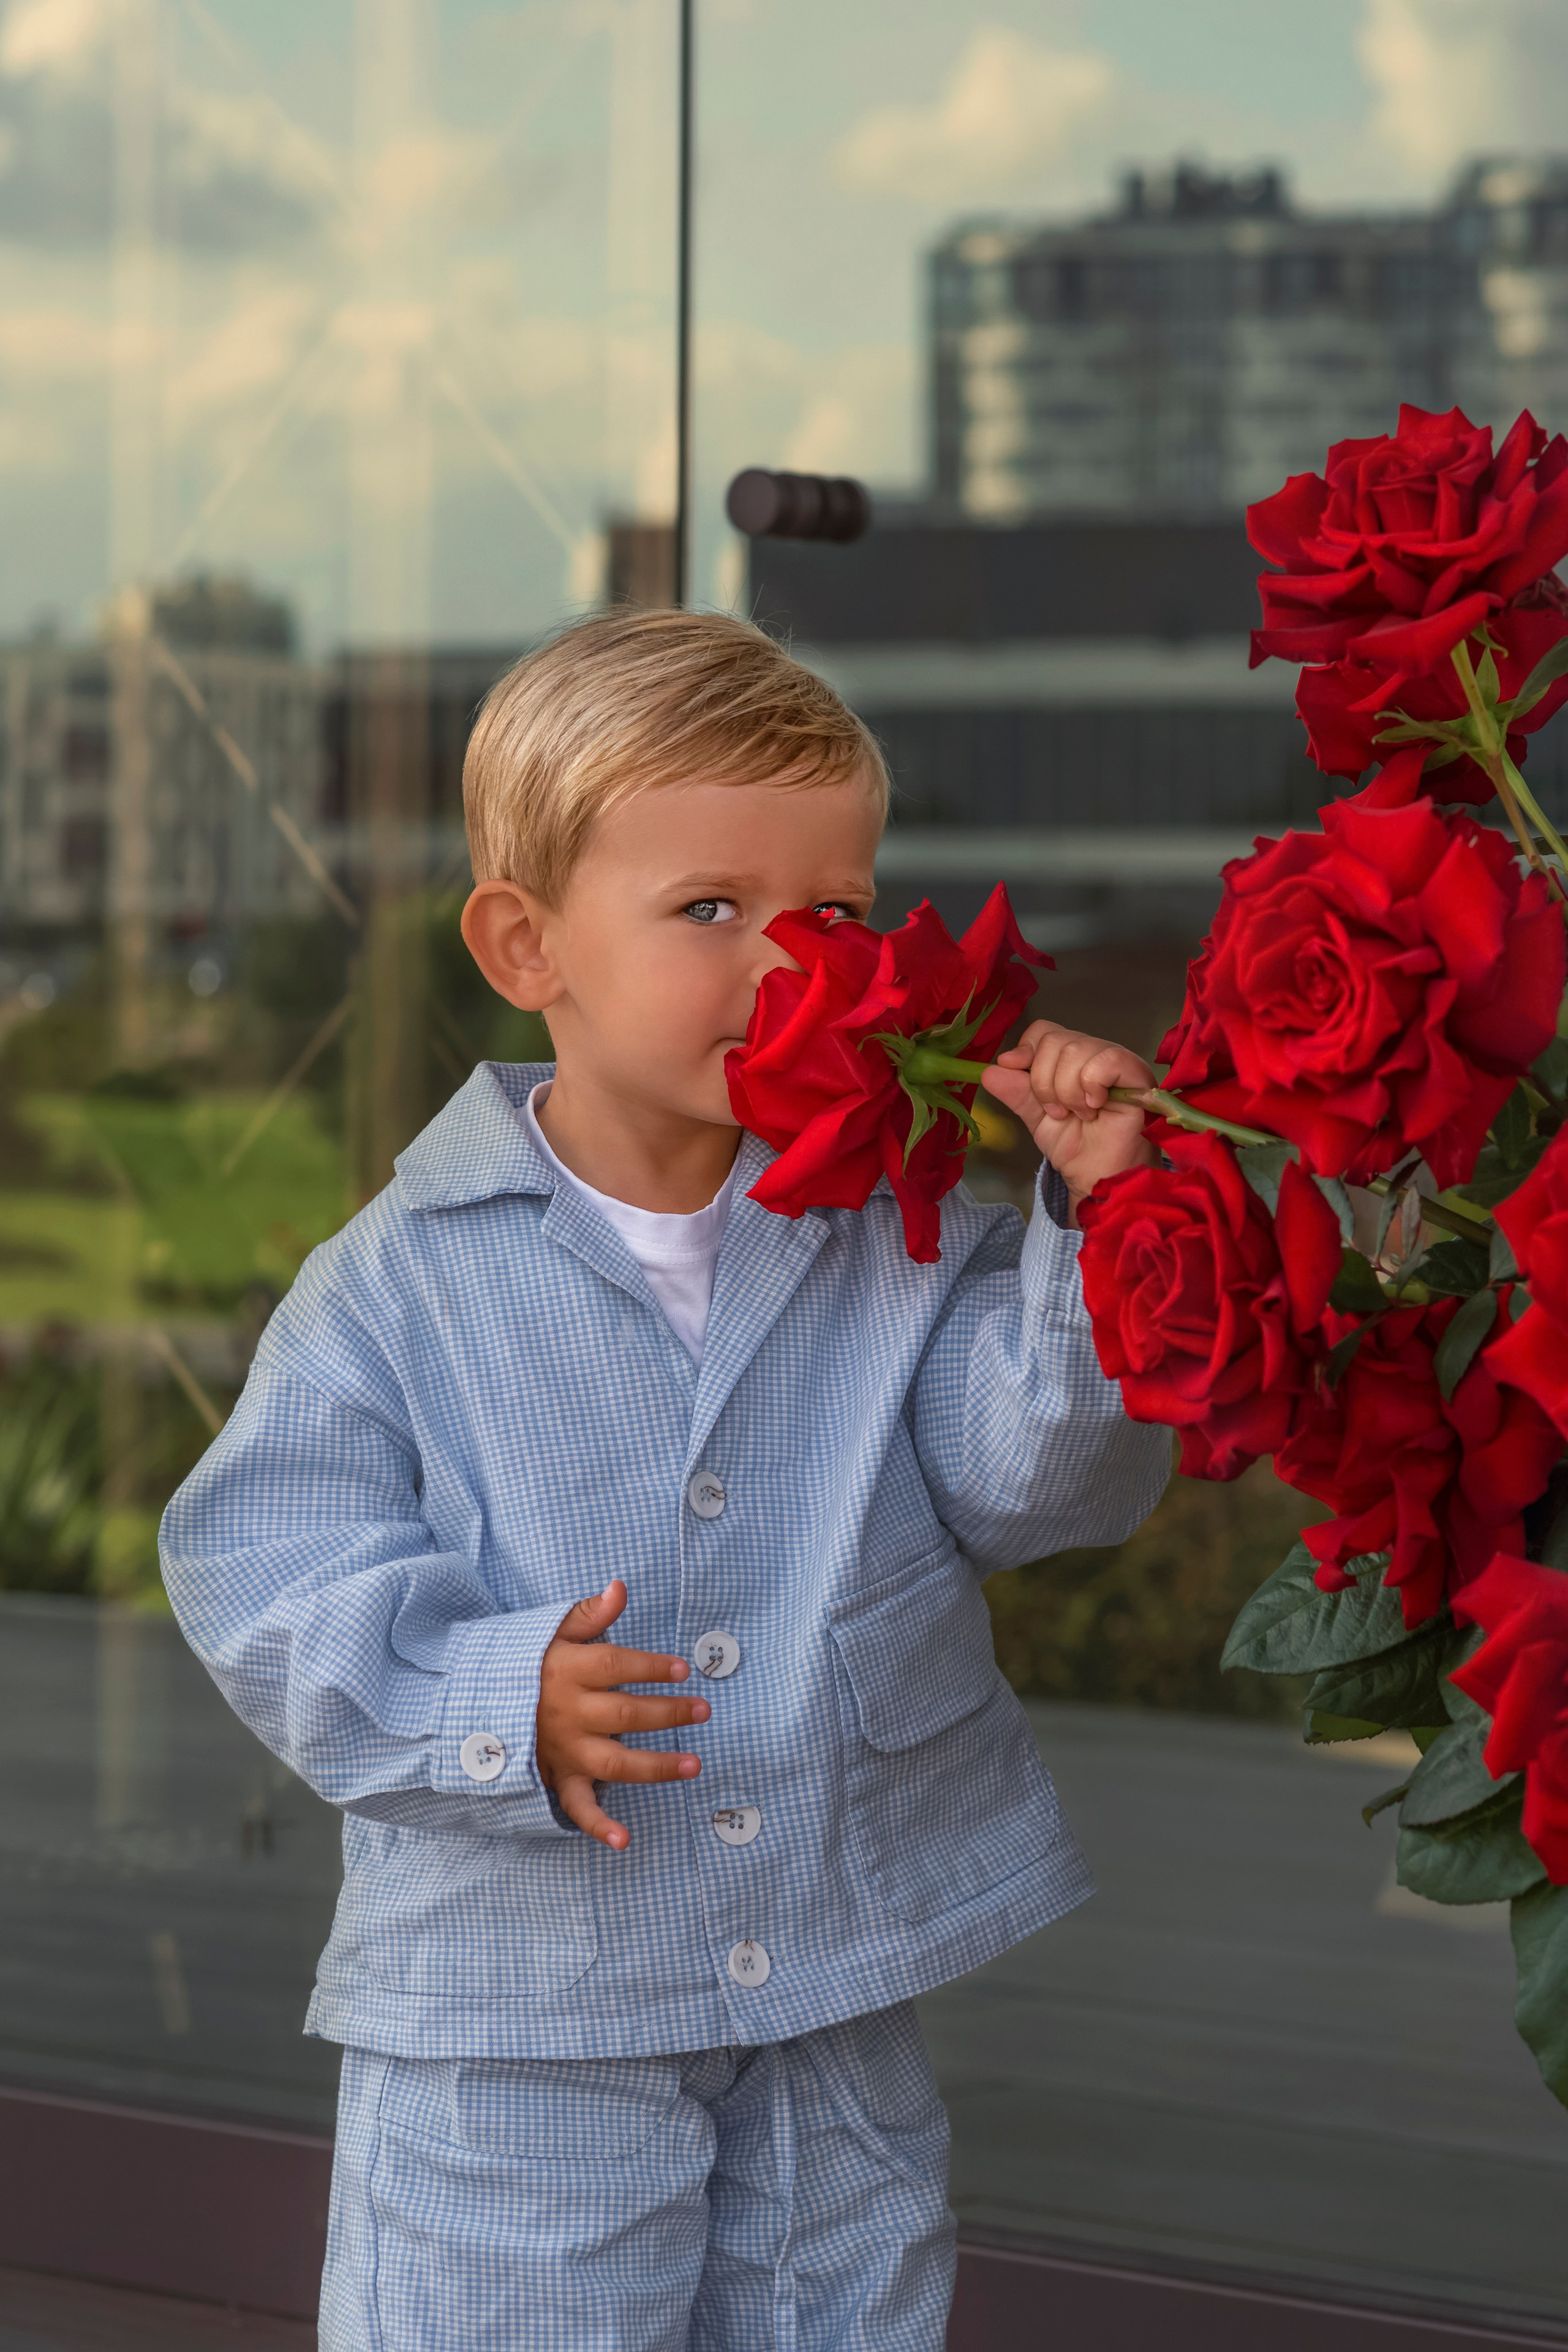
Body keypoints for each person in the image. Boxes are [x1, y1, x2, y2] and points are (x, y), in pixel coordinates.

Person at [160, 609, 1170, 2352]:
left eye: (833, 917)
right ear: (523, 940)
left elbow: (1035, 1485)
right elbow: (263, 1566)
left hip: (827, 1985)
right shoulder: (405, 1276)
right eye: (712, 909)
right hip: (517, 2016)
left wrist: (1091, 1218)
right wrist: (490, 1698)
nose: (791, 965)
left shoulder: (904, 1228)